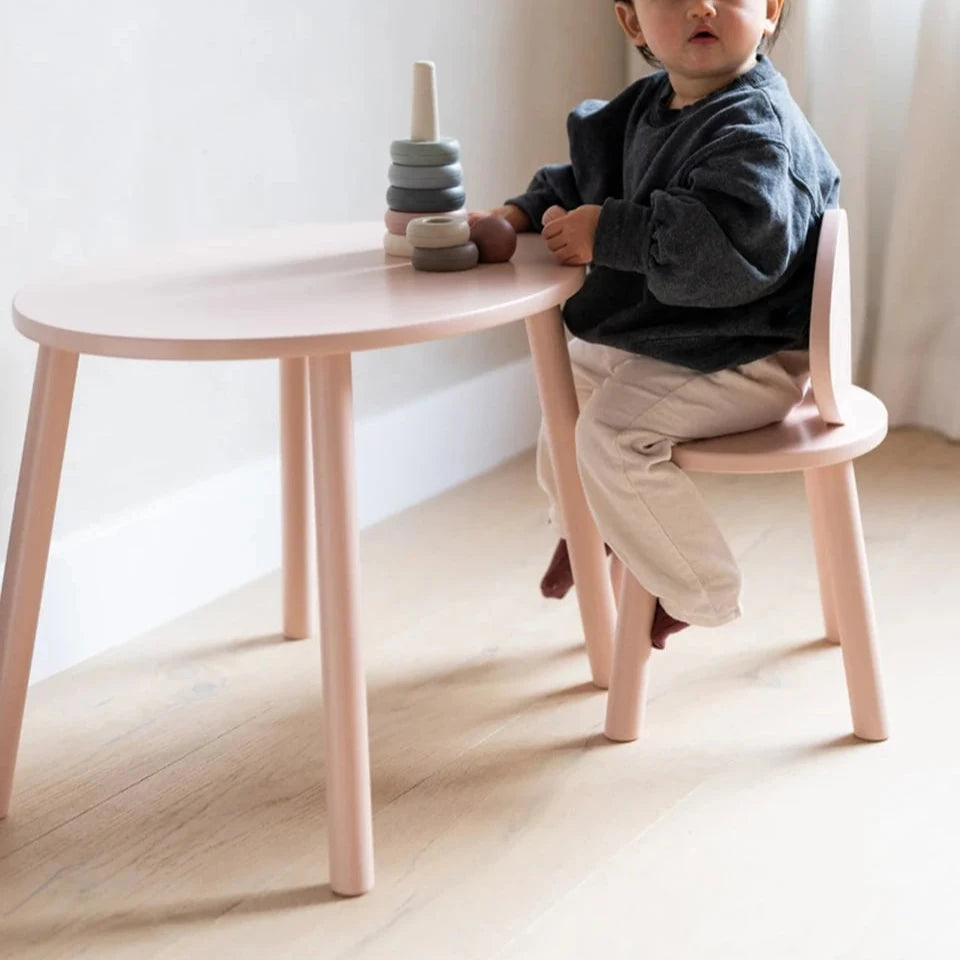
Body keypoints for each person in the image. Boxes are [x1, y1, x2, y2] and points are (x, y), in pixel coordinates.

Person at [470, 0, 839, 648]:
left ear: (772, 10)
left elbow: (736, 253)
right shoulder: (651, 106)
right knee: (568, 386)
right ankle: (588, 529)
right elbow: (582, 177)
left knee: (612, 435)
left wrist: (613, 232)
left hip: (751, 354)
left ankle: (698, 587)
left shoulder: (757, 131)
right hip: (688, 339)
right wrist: (521, 212)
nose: (702, 5)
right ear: (634, 23)